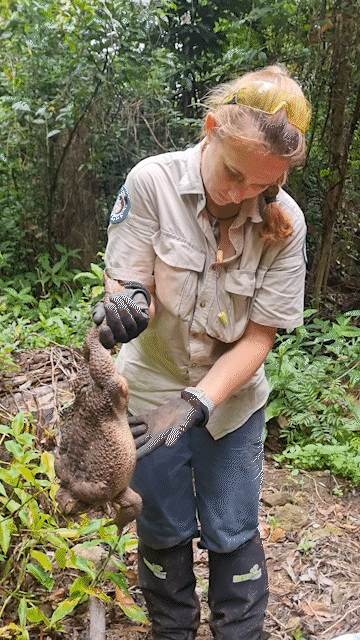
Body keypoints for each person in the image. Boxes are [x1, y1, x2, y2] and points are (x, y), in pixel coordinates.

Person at [94, 64, 311, 640]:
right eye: (235, 174)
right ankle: (173, 629)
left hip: (232, 403)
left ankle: (239, 630)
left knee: (233, 526)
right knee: (161, 523)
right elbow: (127, 278)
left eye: (263, 186)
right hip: (146, 390)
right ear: (211, 128)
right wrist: (126, 307)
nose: (241, 195)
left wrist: (196, 403)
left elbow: (259, 337)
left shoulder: (286, 224)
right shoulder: (151, 182)